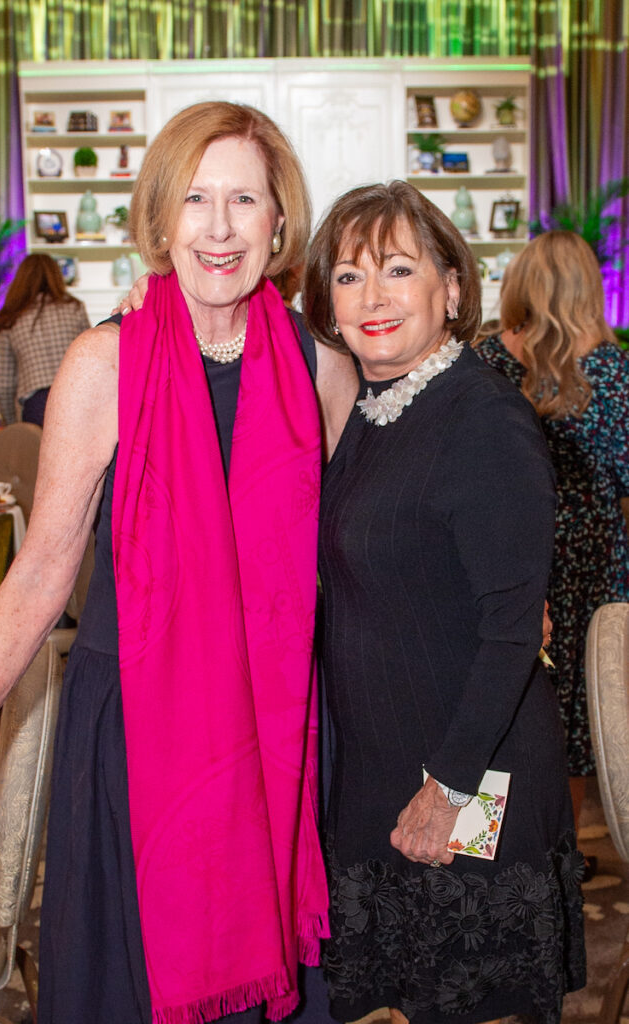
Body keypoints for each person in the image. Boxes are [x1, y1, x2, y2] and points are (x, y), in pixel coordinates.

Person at [0, 102, 357, 1024]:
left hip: (276, 723)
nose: (218, 228)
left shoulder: (320, 366)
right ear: (160, 220)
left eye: (243, 200)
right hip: (135, 731)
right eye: (195, 199)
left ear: (279, 221)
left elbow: (351, 558)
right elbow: (44, 568)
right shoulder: (105, 365)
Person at [301, 182, 586, 1024]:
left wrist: (449, 788)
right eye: (349, 278)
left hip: (464, 781)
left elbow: (512, 632)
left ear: (452, 287)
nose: (375, 297)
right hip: (383, 768)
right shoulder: (377, 408)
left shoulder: (482, 416)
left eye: (398, 269)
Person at [474, 230, 629, 837]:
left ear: (521, 282)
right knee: (577, 711)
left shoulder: (487, 359)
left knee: (498, 694)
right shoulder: (611, 373)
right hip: (590, 564)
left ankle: (487, 845)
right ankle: (561, 848)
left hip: (502, 554)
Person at [0, 253, 90, 426]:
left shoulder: (11, 318)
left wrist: (11, 424)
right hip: (76, 398)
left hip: (37, 405)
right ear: (56, 276)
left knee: (41, 453)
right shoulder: (74, 308)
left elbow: (4, 383)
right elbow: (93, 359)